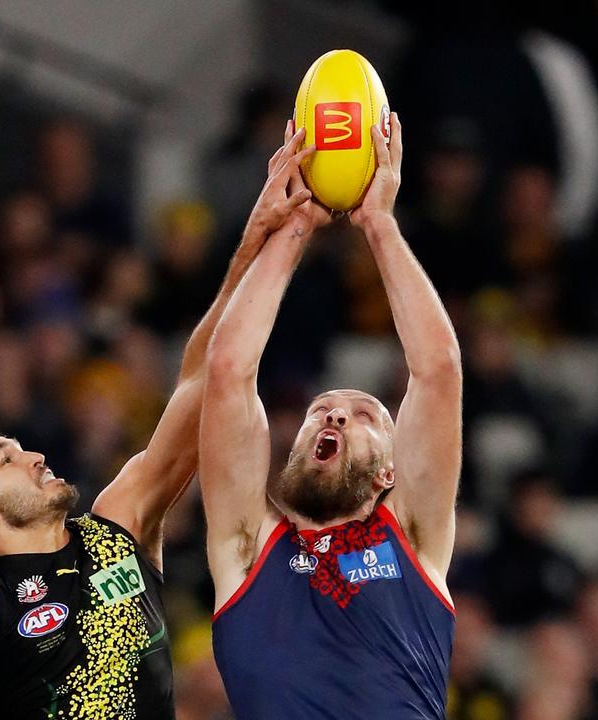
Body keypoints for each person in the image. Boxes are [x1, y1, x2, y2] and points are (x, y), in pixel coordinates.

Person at [0, 125, 319, 719]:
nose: (33, 456)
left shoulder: (122, 522)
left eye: (17, 446)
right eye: (3, 460)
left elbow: (200, 380)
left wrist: (264, 241)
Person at [201, 112, 461, 718]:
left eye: (365, 415)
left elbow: (438, 370)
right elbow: (227, 371)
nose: (335, 417)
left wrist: (379, 225)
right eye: (322, 411)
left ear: (389, 474)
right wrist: (296, 227)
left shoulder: (414, 535)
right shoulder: (245, 548)